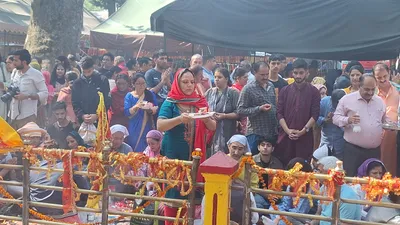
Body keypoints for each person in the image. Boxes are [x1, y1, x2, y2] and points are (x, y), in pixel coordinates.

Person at [157, 68, 216, 224]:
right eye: (185, 82)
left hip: (195, 158)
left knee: (190, 200)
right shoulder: (170, 102)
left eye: (192, 82)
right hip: (174, 158)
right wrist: (179, 120)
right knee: (173, 198)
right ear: (177, 83)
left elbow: (212, 126)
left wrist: (205, 118)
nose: (189, 85)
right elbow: (160, 125)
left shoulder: (199, 102)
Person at [333, 74, 386, 177]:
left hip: (374, 150)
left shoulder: (380, 101)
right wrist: (348, 120)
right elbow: (335, 118)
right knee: (351, 179)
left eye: (372, 89)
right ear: (359, 86)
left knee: (373, 182)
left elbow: (384, 120)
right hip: (353, 150)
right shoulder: (347, 99)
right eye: (366, 89)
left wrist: (391, 125)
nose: (370, 92)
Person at [275, 59, 321, 165]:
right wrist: (287, 131)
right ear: (292, 73)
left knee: (302, 169)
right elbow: (279, 113)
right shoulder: (285, 90)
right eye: (295, 73)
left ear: (307, 73)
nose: (298, 76)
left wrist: (302, 132)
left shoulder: (314, 92)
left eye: (301, 73)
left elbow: (315, 115)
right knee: (285, 168)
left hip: (305, 137)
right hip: (285, 137)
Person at [237, 62, 278, 155]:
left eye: (267, 74)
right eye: (262, 75)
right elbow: (240, 110)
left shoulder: (271, 86)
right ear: (254, 73)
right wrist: (259, 109)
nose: (265, 77)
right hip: (256, 133)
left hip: (271, 132)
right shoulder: (248, 89)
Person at [309, 156, 361, 225]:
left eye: (320, 171)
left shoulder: (348, 196)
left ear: (330, 174)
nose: (317, 174)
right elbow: (319, 214)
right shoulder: (324, 188)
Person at [9, 49, 48, 129]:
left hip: (28, 116)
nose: (13, 63)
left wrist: (27, 96)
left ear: (24, 62)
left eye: (16, 60)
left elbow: (44, 93)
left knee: (27, 141)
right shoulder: (15, 72)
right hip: (12, 115)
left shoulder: (36, 74)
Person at [205, 68, 239, 155]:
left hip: (227, 129)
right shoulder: (209, 92)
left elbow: (239, 113)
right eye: (215, 77)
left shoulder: (233, 93)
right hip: (210, 130)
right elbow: (203, 108)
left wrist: (224, 116)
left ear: (227, 79)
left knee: (225, 154)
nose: (216, 79)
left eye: (219, 77)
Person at [270, 158, 313, 225]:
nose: (291, 177)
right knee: (272, 209)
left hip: (304, 217)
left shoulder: (310, 187)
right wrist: (280, 215)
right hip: (290, 214)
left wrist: (281, 216)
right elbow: (285, 205)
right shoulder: (291, 184)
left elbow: (300, 211)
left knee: (286, 218)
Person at [373, 63, 399, 176]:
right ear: (374, 77)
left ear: (389, 74)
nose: (383, 80)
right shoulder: (371, 92)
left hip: (395, 135)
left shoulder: (398, 90)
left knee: (393, 163)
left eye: (385, 76)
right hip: (376, 134)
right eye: (379, 78)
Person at [71, 56, 111, 125]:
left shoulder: (102, 80)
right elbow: (75, 102)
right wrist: (82, 115)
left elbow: (107, 101)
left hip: (100, 120)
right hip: (83, 121)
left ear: (93, 68)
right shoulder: (77, 83)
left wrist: (97, 115)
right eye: (84, 72)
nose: (87, 74)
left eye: (89, 71)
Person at [125, 74, 158, 151]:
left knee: (146, 146)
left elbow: (156, 108)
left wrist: (150, 109)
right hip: (134, 126)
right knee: (134, 146)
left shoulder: (149, 94)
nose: (141, 85)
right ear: (133, 84)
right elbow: (127, 112)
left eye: (143, 83)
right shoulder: (129, 96)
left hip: (147, 125)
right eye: (138, 83)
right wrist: (137, 106)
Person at [253, 137, 283, 210]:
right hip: (256, 192)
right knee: (258, 204)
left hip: (272, 192)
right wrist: (266, 195)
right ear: (258, 147)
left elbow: (280, 183)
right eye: (263, 145)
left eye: (268, 145)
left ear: (272, 149)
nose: (265, 147)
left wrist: (274, 194)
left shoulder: (277, 163)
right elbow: (251, 184)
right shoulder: (251, 161)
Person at [317, 89, 346, 159]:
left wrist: (341, 121)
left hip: (340, 141)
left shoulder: (348, 105)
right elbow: (315, 117)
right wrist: (324, 120)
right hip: (326, 140)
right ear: (331, 99)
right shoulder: (324, 102)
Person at [0, 53, 12, 120]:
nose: (8, 64)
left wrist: (2, 85)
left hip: (3, 101)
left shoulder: (4, 67)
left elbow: (10, 85)